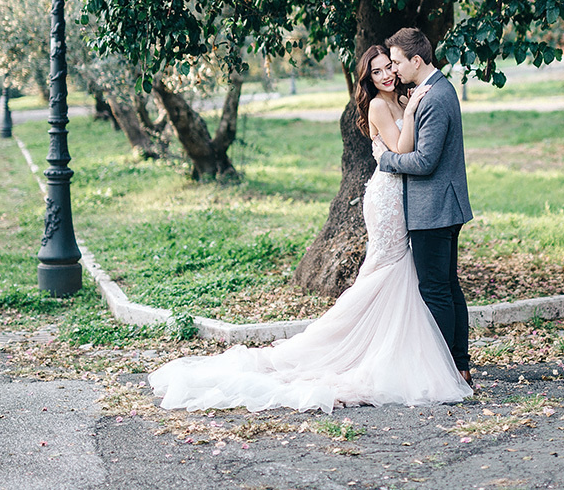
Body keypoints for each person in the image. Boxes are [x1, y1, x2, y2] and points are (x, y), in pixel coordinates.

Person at [148, 44, 472, 413]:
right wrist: (409, 115)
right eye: (377, 71)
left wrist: (407, 111)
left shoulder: (401, 97)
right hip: (387, 197)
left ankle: (408, 348)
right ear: (367, 78)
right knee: (386, 268)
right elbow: (400, 148)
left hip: (406, 194)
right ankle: (366, 342)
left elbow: (406, 150)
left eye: (389, 67)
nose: (386, 75)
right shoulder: (381, 106)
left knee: (402, 272)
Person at [372, 27, 474, 387]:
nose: (394, 69)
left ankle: (445, 373)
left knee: (435, 290)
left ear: (416, 60)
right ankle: (459, 368)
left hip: (433, 207)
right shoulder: (437, 90)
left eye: (397, 62)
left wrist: (385, 160)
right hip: (443, 204)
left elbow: (425, 161)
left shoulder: (433, 97)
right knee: (447, 287)